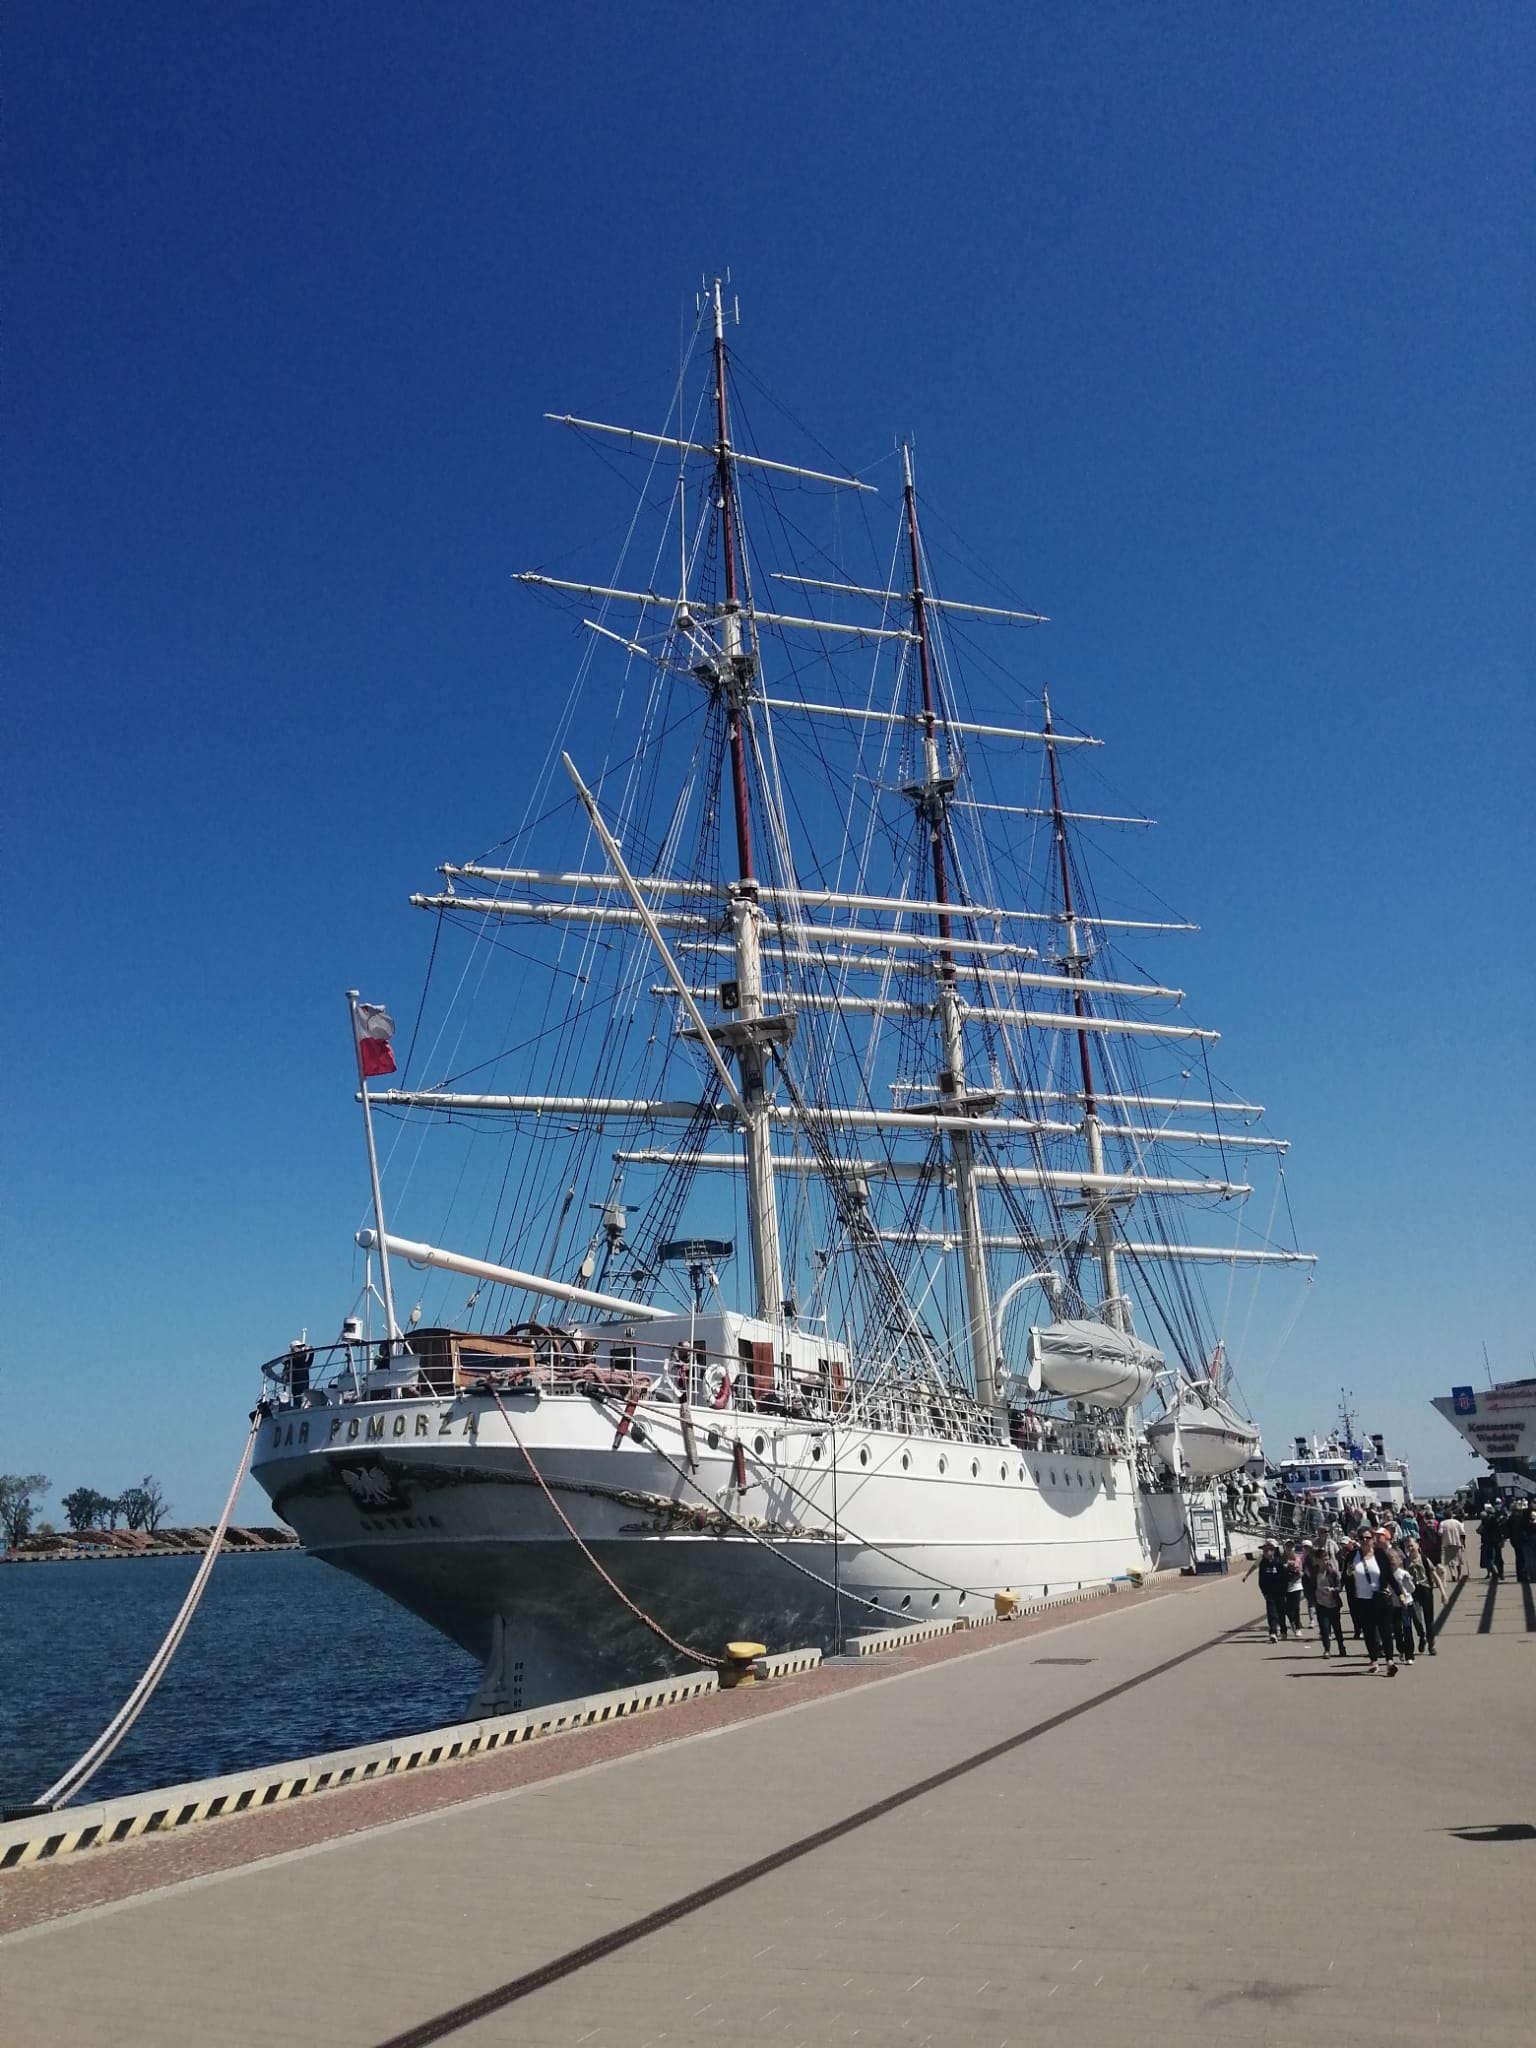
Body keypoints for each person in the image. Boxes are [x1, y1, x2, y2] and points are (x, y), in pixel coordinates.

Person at [1350, 1531, 1398, 1675]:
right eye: (1362, 1538)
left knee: (1385, 1630)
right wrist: (1347, 1572)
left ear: (1373, 1539)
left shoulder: (1380, 1554)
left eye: (1368, 1538)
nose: (1365, 1540)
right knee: (1369, 1632)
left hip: (1381, 1597)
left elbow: (1389, 1575)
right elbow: (1345, 1577)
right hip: (1362, 1600)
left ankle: (1390, 1661)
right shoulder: (1353, 1556)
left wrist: (1400, 1594)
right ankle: (1373, 1661)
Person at [1404, 1537, 1443, 1656]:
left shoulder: (1424, 1559)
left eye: (1411, 1545)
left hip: (1425, 1589)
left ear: (1417, 1545)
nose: (1410, 1548)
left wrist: (1443, 1592)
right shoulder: (1405, 1562)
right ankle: (1422, 1636)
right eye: (1407, 1546)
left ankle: (1431, 1643)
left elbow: (1434, 1574)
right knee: (1416, 1617)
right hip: (1412, 1591)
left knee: (1428, 1618)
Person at [1245, 1541, 1290, 1641]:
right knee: (1271, 1613)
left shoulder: (1279, 1562)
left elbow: (1285, 1577)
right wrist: (1264, 1592)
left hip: (1280, 1592)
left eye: (1268, 1550)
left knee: (1281, 1613)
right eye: (1264, 1551)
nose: (1266, 1552)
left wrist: (1284, 1591)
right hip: (1269, 1593)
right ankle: (1273, 1632)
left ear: (1273, 1551)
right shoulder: (1263, 1564)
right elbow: (1261, 1580)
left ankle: (1283, 1630)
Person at [1383, 1544, 1418, 1665]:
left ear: (1398, 1560)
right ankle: (1401, 1649)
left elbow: (1412, 1589)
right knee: (1397, 1631)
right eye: (1389, 1560)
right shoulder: (1386, 1575)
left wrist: (1409, 1581)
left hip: (1406, 1605)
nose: (1392, 1562)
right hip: (1393, 1606)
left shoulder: (1403, 1574)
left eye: (1394, 1560)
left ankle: (1410, 1654)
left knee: (1407, 1629)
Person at [1314, 1547, 1347, 1658]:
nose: (1326, 1562)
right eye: (1323, 1559)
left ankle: (1341, 1646)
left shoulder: (1332, 1572)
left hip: (1333, 1604)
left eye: (1327, 1559)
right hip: (1320, 1604)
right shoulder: (1314, 1572)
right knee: (1324, 1628)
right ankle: (1327, 1649)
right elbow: (1309, 1585)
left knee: (1337, 1627)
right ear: (1317, 1560)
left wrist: (1333, 1590)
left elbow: (1339, 1586)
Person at [1479, 1505, 1506, 1580]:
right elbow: (1501, 1529)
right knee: (1499, 1557)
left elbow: (1480, 1530)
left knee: (1490, 1558)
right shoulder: (1498, 1518)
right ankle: (1501, 1573)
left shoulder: (1485, 1519)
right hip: (1497, 1539)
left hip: (1488, 1540)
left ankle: (1494, 1573)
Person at [1440, 1510, 1465, 1579]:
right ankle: (1459, 1575)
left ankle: (1453, 1574)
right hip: (1457, 1543)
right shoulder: (1457, 1522)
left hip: (1447, 1543)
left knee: (1449, 1560)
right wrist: (1463, 1543)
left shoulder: (1442, 1523)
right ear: (1451, 1515)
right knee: (1458, 1561)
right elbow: (1462, 1532)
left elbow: (1440, 1533)